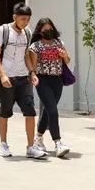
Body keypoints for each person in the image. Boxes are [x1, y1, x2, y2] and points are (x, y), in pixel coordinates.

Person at [0, 2, 46, 159]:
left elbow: (26, 55)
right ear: (14, 17)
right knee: (5, 112)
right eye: (22, 19)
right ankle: (3, 144)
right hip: (7, 78)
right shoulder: (3, 30)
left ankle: (30, 147)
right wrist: (2, 75)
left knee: (30, 112)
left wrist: (32, 73)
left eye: (28, 19)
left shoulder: (27, 33)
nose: (25, 22)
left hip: (23, 79)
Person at [27, 18, 71, 158]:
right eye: (45, 29)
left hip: (57, 79)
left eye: (50, 28)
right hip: (43, 80)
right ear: (40, 31)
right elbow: (33, 65)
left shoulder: (59, 43)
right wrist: (33, 75)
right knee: (53, 110)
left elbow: (67, 61)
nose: (48, 31)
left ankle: (38, 138)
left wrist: (65, 56)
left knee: (47, 110)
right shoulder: (35, 46)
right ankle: (58, 143)